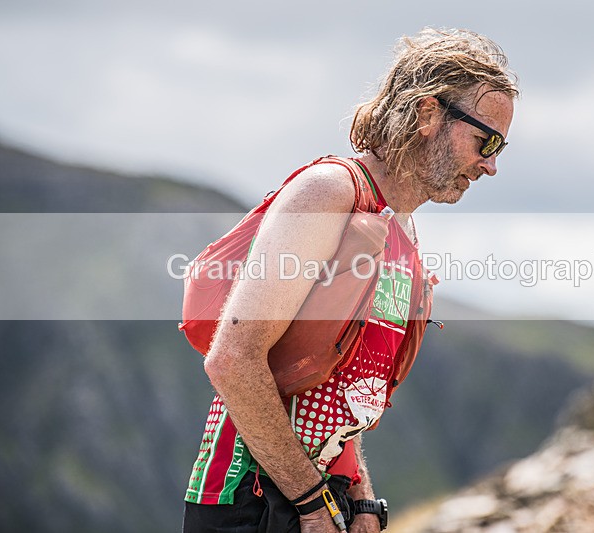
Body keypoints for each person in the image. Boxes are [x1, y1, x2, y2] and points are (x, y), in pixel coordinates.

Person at [182, 27, 517, 533]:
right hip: (250, 494)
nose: (490, 165)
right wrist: (313, 504)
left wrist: (359, 497)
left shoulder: (398, 225)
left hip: (313, 495)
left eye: (500, 147)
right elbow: (232, 359)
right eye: (484, 140)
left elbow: (342, 380)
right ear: (428, 115)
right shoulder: (329, 193)